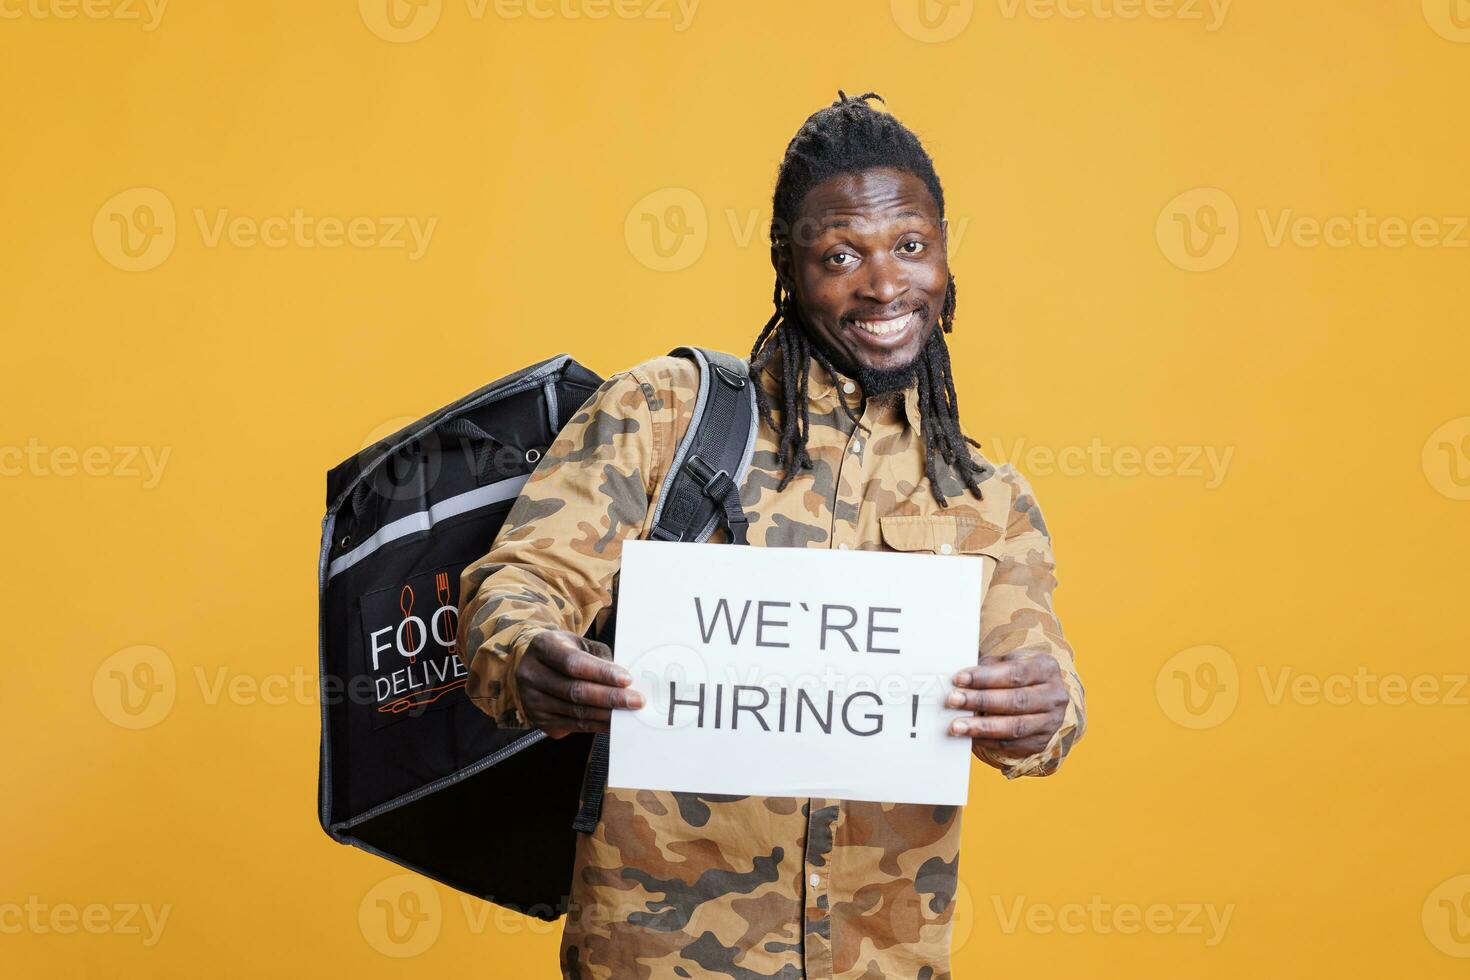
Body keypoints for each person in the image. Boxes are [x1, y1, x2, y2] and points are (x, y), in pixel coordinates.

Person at [457, 91, 1086, 980]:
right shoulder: (665, 414)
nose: (883, 284)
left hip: (880, 963)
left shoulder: (987, 495)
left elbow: (1042, 673)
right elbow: (513, 585)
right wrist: (529, 653)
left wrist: (1044, 710)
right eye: (841, 256)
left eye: (911, 246)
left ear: (944, 252)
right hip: (655, 959)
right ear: (789, 270)